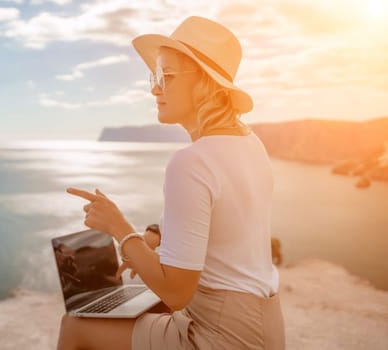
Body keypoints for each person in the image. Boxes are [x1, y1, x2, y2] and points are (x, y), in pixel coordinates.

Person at [57, 16, 285, 350]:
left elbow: (176, 293)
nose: (154, 88)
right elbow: (226, 224)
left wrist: (120, 228)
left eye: (166, 76)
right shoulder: (250, 143)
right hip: (264, 327)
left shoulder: (191, 161)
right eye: (155, 76)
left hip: (221, 335)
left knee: (77, 326)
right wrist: (159, 238)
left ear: (204, 83)